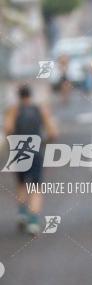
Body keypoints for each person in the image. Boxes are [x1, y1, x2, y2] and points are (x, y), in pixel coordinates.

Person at [3, 83, 58, 234]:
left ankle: (22, 213)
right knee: (36, 187)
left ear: (18, 96)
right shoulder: (40, 109)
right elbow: (53, 132)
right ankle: (33, 221)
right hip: (35, 150)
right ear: (30, 94)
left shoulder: (13, 110)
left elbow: (7, 128)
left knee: (21, 184)